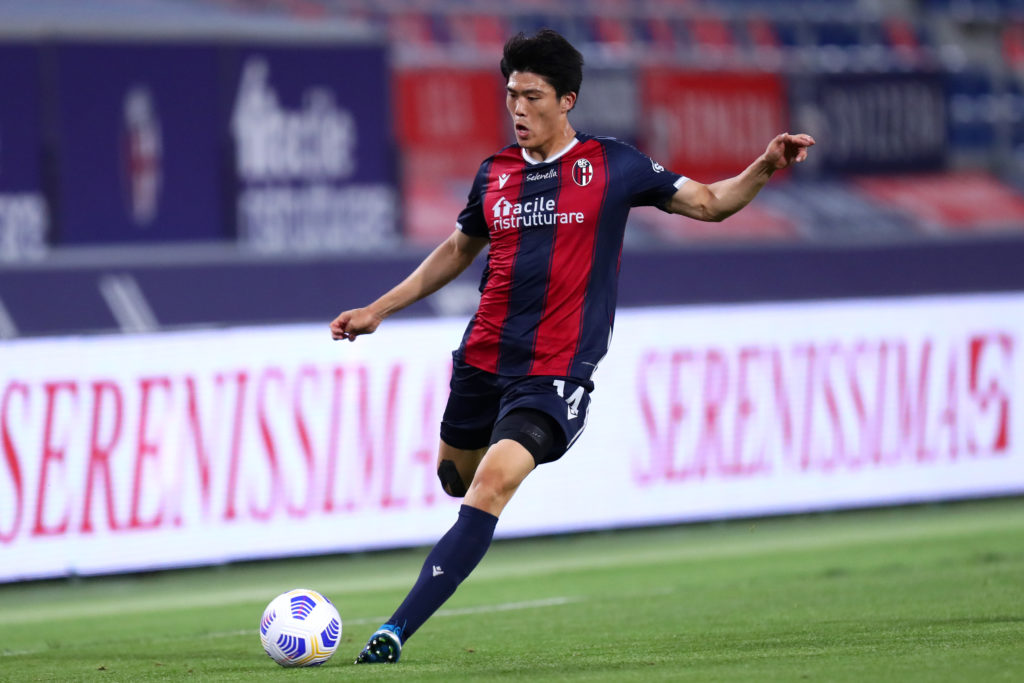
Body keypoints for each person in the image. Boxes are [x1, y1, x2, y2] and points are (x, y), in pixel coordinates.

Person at [331, 29, 815, 664]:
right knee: (457, 479)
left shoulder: (613, 165)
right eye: (511, 95)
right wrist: (377, 310)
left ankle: (393, 631)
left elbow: (710, 203)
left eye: (532, 96)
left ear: (567, 100)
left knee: (491, 486)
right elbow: (456, 251)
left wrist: (764, 166)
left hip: (554, 373)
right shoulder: (495, 174)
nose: (518, 109)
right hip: (481, 360)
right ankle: (458, 532)